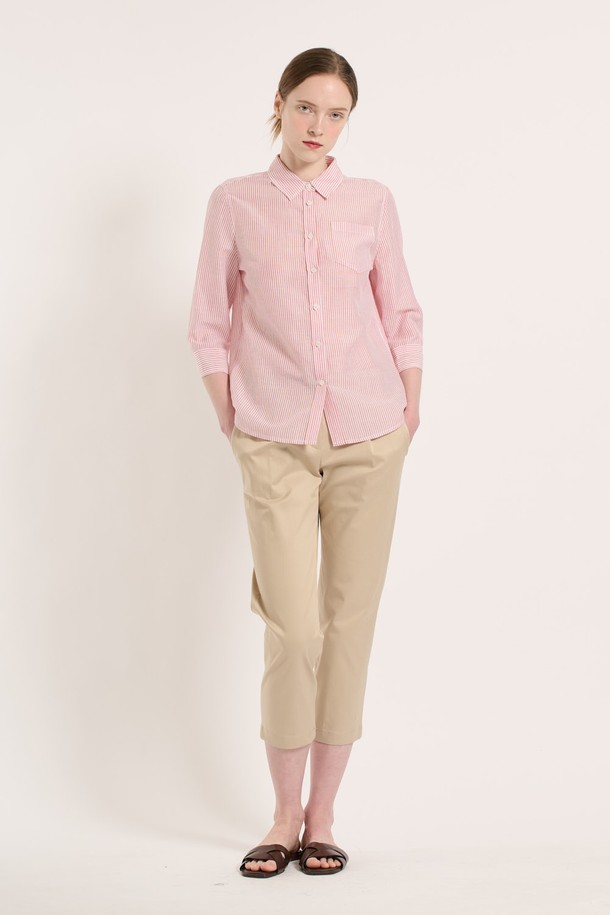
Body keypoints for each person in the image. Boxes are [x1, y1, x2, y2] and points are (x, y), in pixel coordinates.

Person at [186, 47, 423, 878]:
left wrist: (409, 409)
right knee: (293, 627)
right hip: (273, 436)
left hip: (369, 432)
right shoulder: (235, 202)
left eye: (337, 113)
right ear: (280, 104)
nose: (319, 126)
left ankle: (322, 814)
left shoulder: (372, 202)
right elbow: (208, 318)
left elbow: (401, 310)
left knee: (350, 623)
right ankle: (282, 813)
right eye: (307, 108)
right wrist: (230, 410)